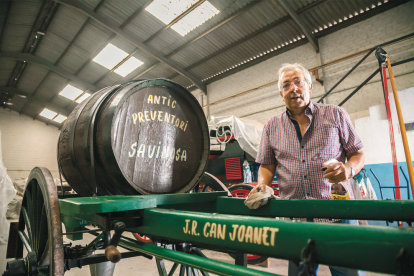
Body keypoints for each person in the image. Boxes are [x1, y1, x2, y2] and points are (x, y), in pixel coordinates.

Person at [250, 63, 365, 276]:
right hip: (295, 218)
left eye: (298, 82)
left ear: (309, 86)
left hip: (337, 213)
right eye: (286, 85)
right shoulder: (271, 127)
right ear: (281, 93)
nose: (293, 88)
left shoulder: (336, 115)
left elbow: (358, 153)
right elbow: (267, 165)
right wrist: (262, 185)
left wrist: (348, 169)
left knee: (348, 272)